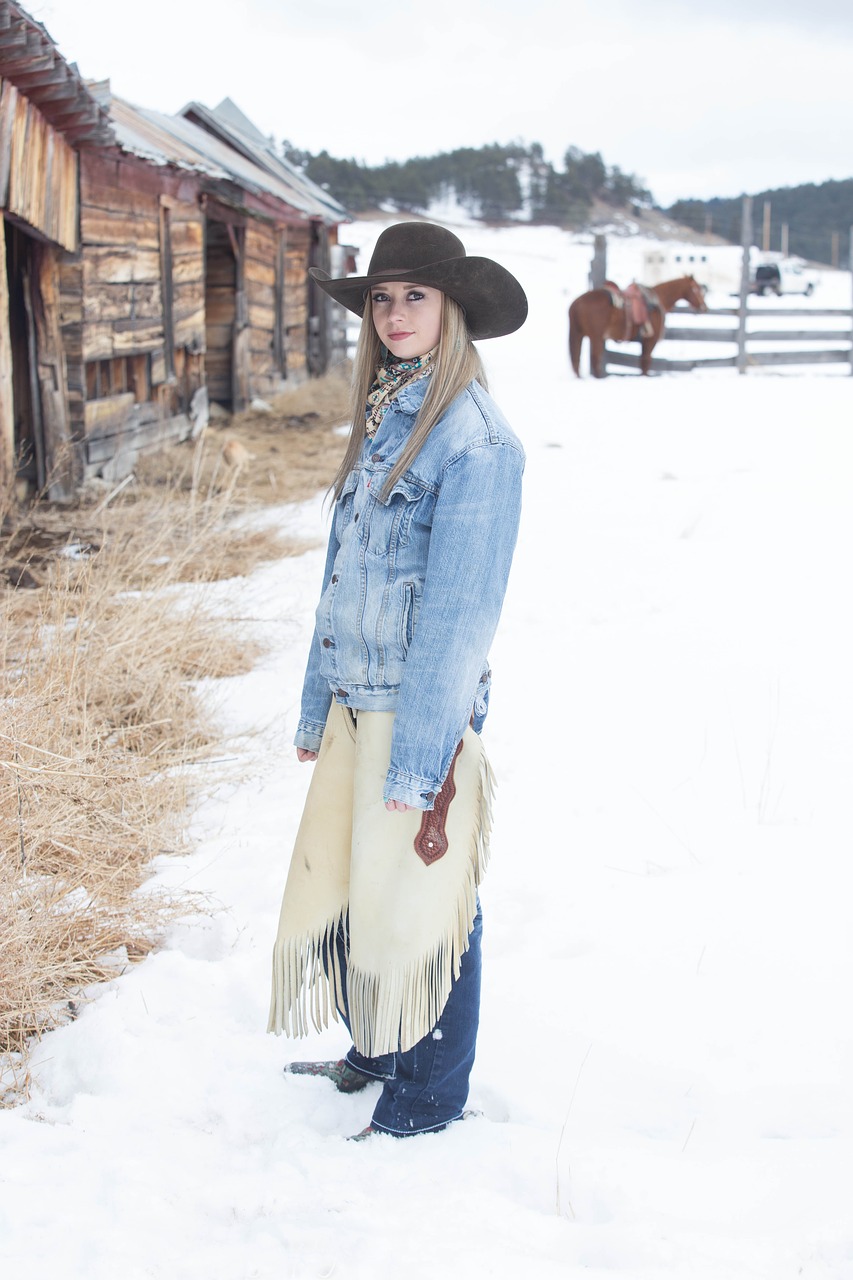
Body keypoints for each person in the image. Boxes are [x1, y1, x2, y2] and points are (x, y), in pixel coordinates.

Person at [267, 221, 527, 1138]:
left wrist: (420, 767)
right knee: (348, 883)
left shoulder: (476, 444)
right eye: (381, 297)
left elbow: (459, 621)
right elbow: (339, 580)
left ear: (452, 308)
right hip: (352, 694)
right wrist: (315, 702)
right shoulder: (385, 416)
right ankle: (373, 1049)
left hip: (416, 711)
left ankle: (426, 1097)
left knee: (427, 895)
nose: (393, 313)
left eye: (415, 295)